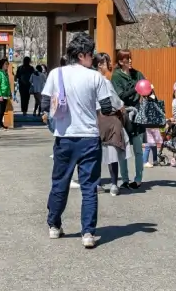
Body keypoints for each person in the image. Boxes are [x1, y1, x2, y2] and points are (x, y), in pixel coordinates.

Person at [41, 33, 115, 249]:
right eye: (91, 55)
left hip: (64, 138)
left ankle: (54, 225)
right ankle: (88, 233)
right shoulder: (95, 77)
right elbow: (107, 108)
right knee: (89, 187)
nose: (92, 58)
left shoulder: (56, 73)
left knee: (60, 182)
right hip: (89, 138)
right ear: (82, 55)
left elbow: (45, 102)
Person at [110, 49, 146, 188]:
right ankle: (124, 179)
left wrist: (149, 92)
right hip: (123, 115)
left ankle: (138, 178)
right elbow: (120, 96)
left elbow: (146, 87)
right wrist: (136, 89)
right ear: (120, 61)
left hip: (137, 115)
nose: (130, 61)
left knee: (138, 149)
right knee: (123, 149)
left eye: (130, 58)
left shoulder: (137, 74)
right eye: (127, 59)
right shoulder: (116, 77)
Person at [95, 53, 129, 195]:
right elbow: (114, 101)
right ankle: (114, 184)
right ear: (99, 64)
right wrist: (121, 105)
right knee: (112, 152)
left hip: (93, 118)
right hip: (108, 118)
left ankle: (96, 184)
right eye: (106, 62)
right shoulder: (105, 82)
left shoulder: (88, 80)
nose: (109, 65)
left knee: (95, 153)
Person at [0, 59, 11, 131]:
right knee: (0, 111)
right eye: (5, 64)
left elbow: (7, 84)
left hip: (5, 94)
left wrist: (9, 93)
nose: (7, 66)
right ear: (2, 65)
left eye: (7, 64)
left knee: (3, 111)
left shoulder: (5, 73)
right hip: (0, 95)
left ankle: (1, 124)